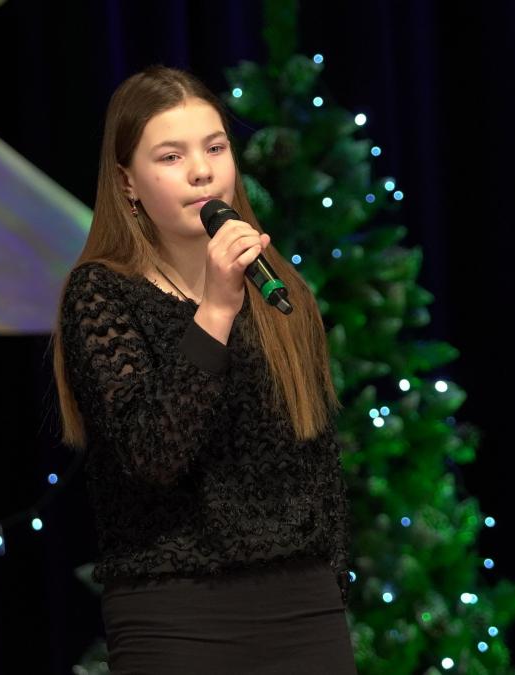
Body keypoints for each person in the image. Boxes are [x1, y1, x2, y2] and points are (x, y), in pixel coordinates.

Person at [51, 64, 356, 674]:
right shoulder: (101, 294)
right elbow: (154, 452)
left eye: (215, 148)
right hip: (176, 616)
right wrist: (215, 309)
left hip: (303, 611)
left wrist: (329, 592)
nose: (201, 171)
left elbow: (316, 463)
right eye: (172, 156)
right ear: (127, 181)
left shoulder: (278, 288)